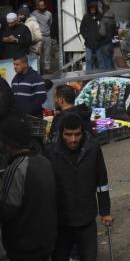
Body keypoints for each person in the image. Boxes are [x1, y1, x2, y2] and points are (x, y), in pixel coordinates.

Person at [47, 112, 113, 261]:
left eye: (77, 134)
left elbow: (102, 182)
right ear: (62, 133)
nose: (73, 139)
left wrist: (105, 211)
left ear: (82, 132)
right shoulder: (51, 151)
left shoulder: (93, 149)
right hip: (61, 221)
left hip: (86, 219)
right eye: (68, 135)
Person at [0, 117, 58, 260]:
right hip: (46, 242)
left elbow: (8, 211)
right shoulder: (44, 161)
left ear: (8, 145)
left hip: (25, 247)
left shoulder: (16, 168)